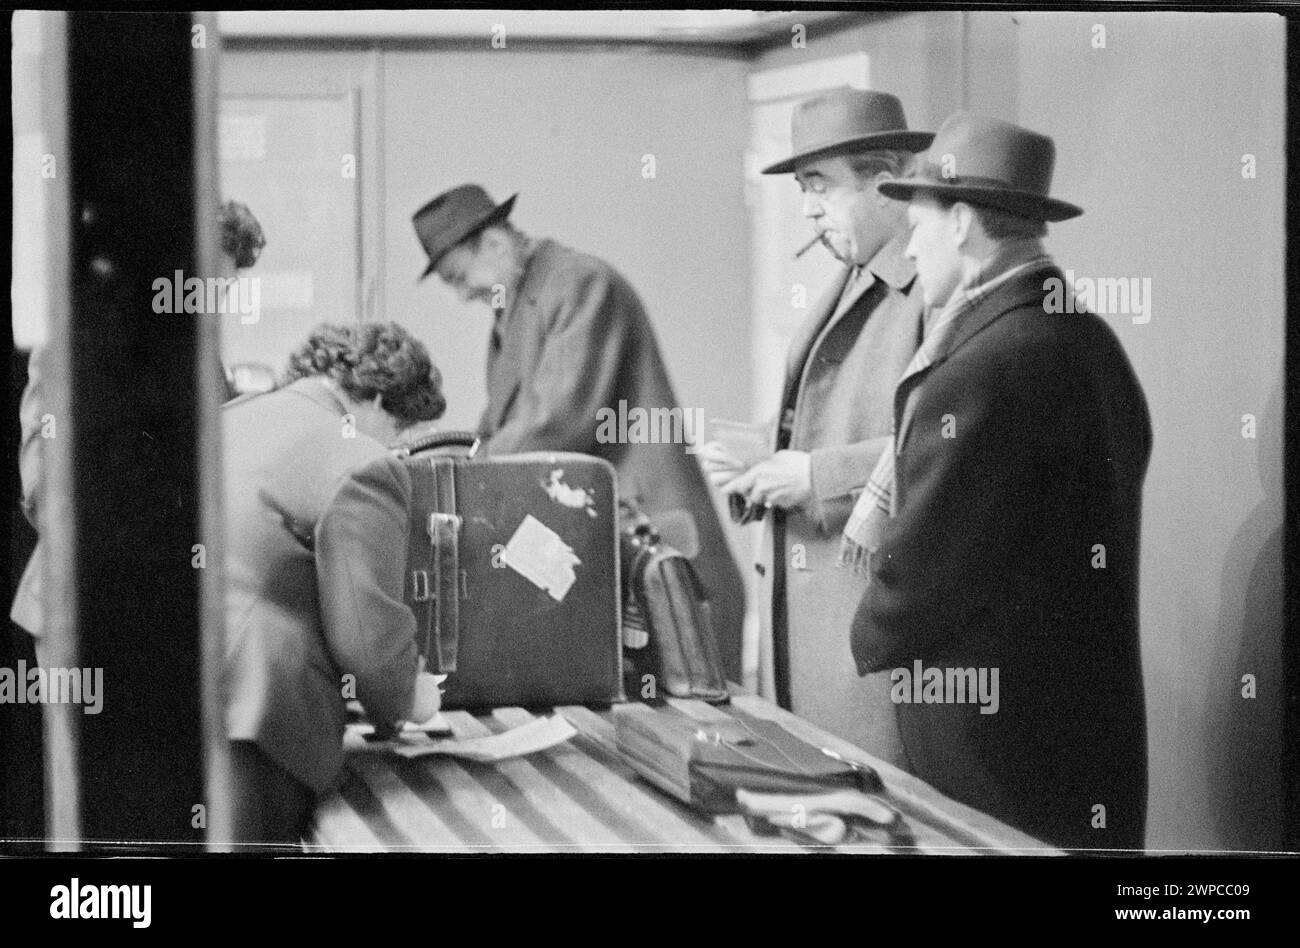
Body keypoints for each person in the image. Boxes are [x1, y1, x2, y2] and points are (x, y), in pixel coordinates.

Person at [851, 112, 1151, 849]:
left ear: (959, 223)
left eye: (917, 219)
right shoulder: (1084, 337)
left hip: (993, 745)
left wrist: (863, 626)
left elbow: (924, 570)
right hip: (1081, 732)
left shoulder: (986, 364)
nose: (910, 243)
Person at [411, 185, 746, 681]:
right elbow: (500, 428)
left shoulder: (579, 283)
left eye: (460, 278)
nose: (463, 296)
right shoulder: (519, 302)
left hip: (657, 555)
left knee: (683, 718)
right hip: (611, 549)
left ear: (495, 243)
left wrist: (456, 483)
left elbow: (556, 422)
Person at [698, 89, 930, 760]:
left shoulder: (929, 288)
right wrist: (760, 456)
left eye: (820, 186)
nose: (806, 208)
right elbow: (831, 409)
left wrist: (814, 476)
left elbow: (948, 443)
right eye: (803, 188)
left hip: (862, 629)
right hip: (813, 629)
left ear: (887, 182)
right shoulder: (853, 276)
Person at [221, 321, 446, 845]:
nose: (400, 448)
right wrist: (410, 699)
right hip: (251, 713)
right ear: (376, 401)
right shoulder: (361, 461)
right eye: (402, 431)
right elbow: (365, 637)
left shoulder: (231, 415)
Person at [11, 199, 265, 653]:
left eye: (221, 292)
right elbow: (42, 479)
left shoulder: (199, 354)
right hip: (86, 598)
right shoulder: (79, 340)